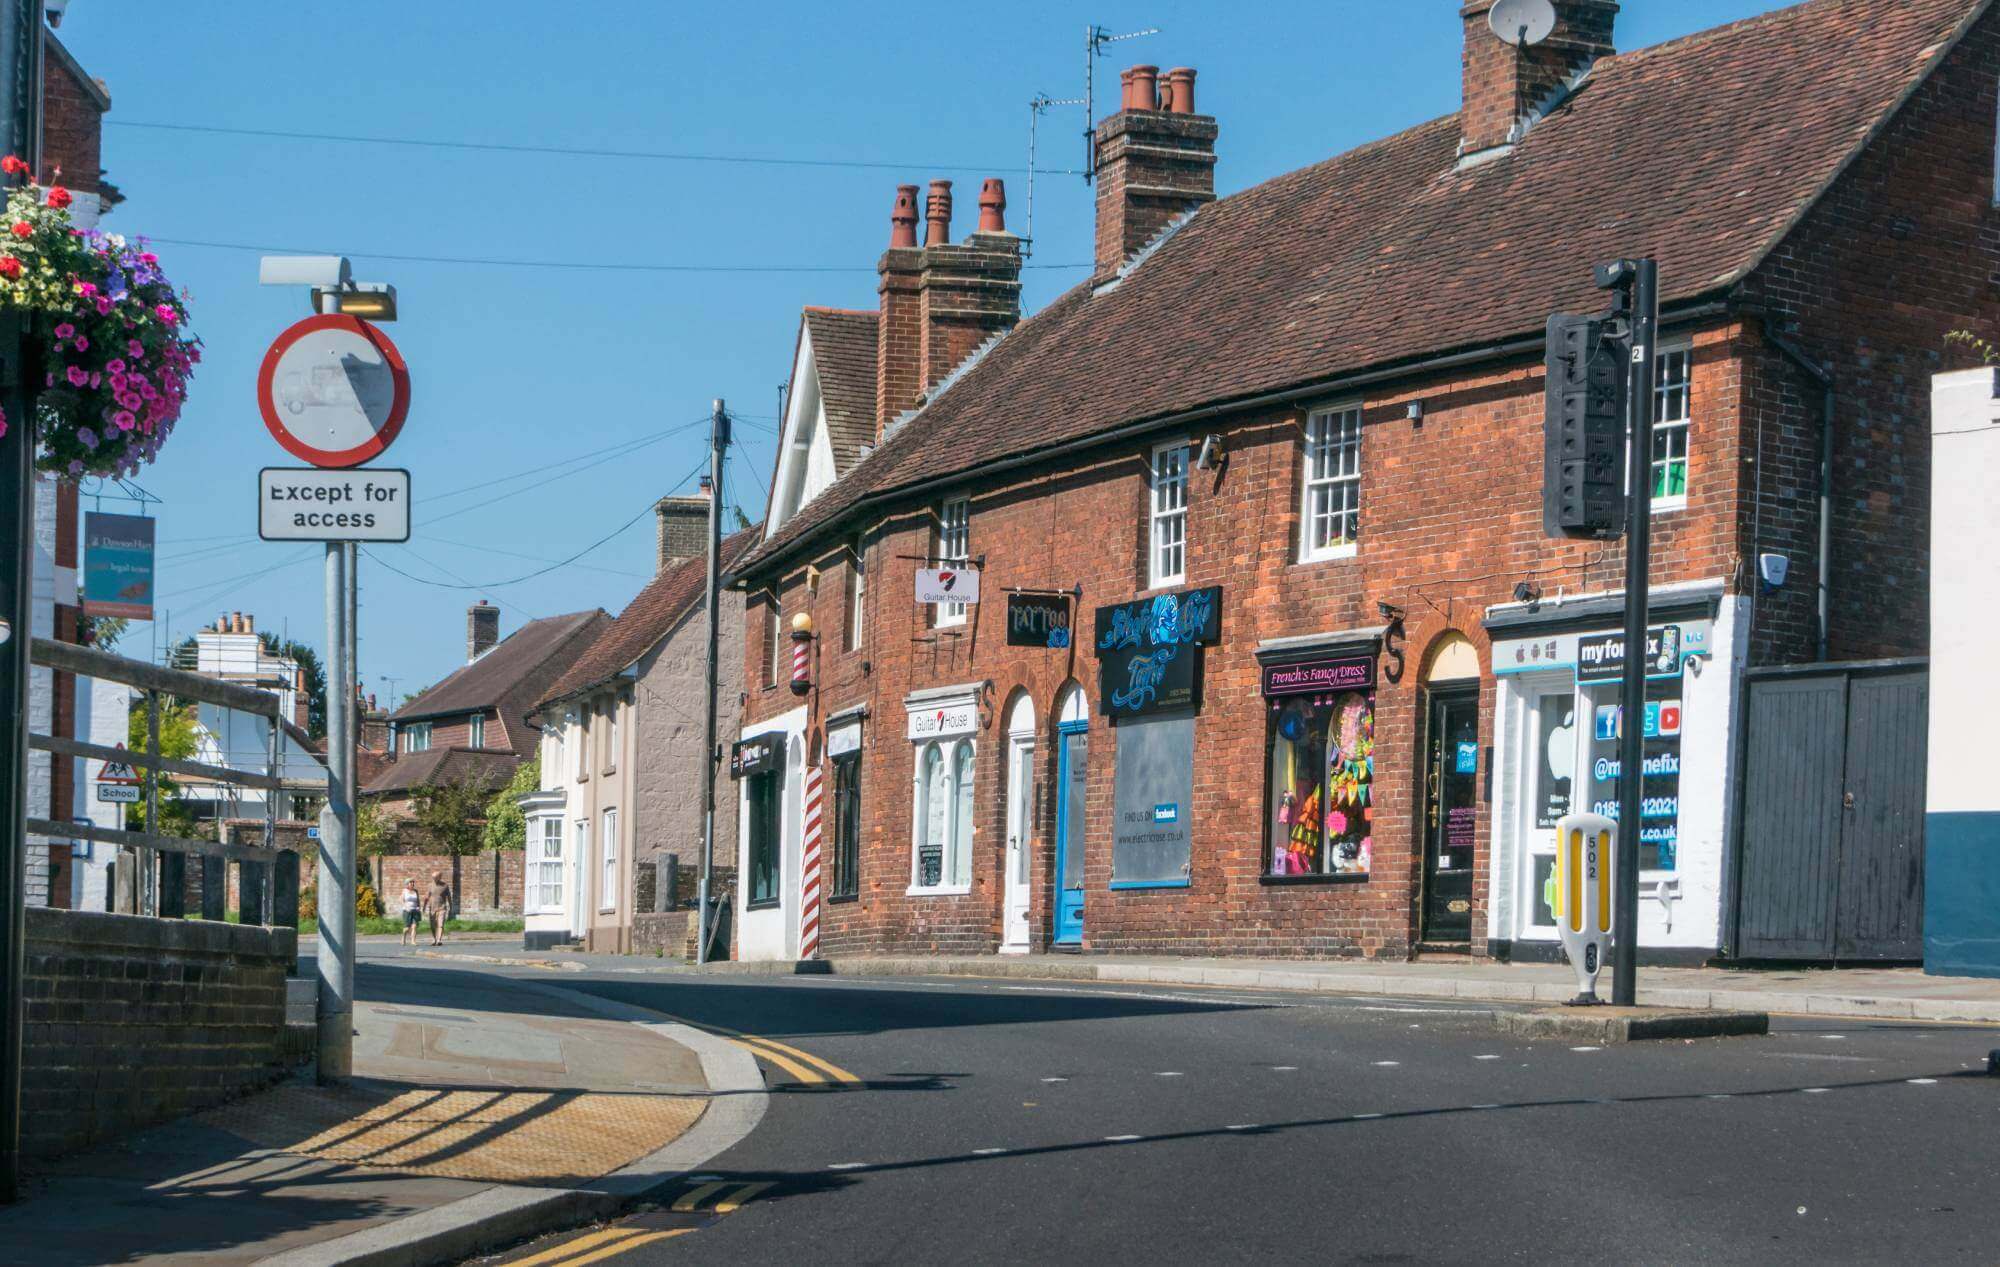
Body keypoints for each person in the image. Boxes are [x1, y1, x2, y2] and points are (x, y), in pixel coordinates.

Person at [425, 870, 453, 946]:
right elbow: (426, 897)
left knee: (440, 924)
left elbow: (449, 897)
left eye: (435, 877)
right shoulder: (430, 885)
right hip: (432, 908)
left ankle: (439, 940)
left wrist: (451, 907)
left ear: (440, 877)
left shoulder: (445, 886)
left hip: (442, 908)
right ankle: (434, 939)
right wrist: (424, 907)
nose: (433, 879)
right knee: (432, 925)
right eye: (433, 877)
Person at [398, 879, 422, 946]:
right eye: (410, 882)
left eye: (413, 882)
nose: (412, 883)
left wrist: (419, 907)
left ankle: (413, 941)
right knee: (407, 928)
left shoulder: (415, 891)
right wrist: (405, 906)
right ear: (407, 884)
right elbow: (401, 900)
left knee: (414, 926)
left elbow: (418, 900)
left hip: (415, 910)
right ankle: (403, 938)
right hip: (407, 911)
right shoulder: (404, 891)